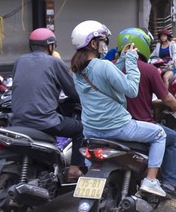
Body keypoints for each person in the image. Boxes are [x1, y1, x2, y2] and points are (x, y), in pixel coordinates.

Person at [70, 20, 167, 197]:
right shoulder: (103, 65)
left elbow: (105, 77)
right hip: (117, 127)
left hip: (91, 130)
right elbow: (131, 90)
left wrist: (121, 58)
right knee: (160, 134)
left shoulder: (77, 70)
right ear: (93, 43)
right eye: (102, 41)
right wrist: (131, 60)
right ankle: (151, 181)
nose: (105, 44)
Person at [117, 27, 176, 199]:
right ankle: (169, 184)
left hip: (111, 126)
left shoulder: (110, 68)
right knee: (173, 140)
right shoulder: (149, 70)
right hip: (140, 125)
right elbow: (166, 97)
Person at [10, 28, 86, 181]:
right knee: (80, 129)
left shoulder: (20, 61)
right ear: (50, 46)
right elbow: (72, 91)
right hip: (44, 121)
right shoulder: (54, 62)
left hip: (17, 120)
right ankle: (74, 170)